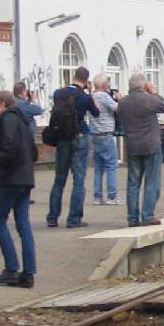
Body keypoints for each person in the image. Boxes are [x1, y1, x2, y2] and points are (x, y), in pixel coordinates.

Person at [0, 90, 37, 288]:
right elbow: (32, 150)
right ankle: (29, 272)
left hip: (11, 178)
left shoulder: (7, 119)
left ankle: (11, 268)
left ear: (4, 104)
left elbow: (8, 146)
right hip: (25, 177)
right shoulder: (24, 120)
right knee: (23, 225)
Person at [46, 65, 99, 229]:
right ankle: (74, 219)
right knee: (78, 180)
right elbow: (96, 113)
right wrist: (91, 93)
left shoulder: (58, 93)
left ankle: (53, 217)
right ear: (86, 80)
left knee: (59, 179)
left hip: (62, 138)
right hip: (79, 138)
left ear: (74, 76)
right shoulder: (85, 97)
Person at [117, 72, 164, 226]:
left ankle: (132, 218)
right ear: (143, 85)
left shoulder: (123, 102)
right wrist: (153, 92)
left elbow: (120, 117)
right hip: (151, 145)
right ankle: (147, 215)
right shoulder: (149, 99)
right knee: (152, 182)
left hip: (132, 146)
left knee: (133, 183)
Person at [88, 74, 119, 206]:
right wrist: (119, 99)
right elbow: (118, 108)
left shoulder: (92, 97)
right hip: (106, 134)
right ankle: (112, 196)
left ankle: (97, 196)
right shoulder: (104, 97)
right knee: (111, 166)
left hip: (95, 134)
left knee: (98, 168)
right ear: (105, 85)